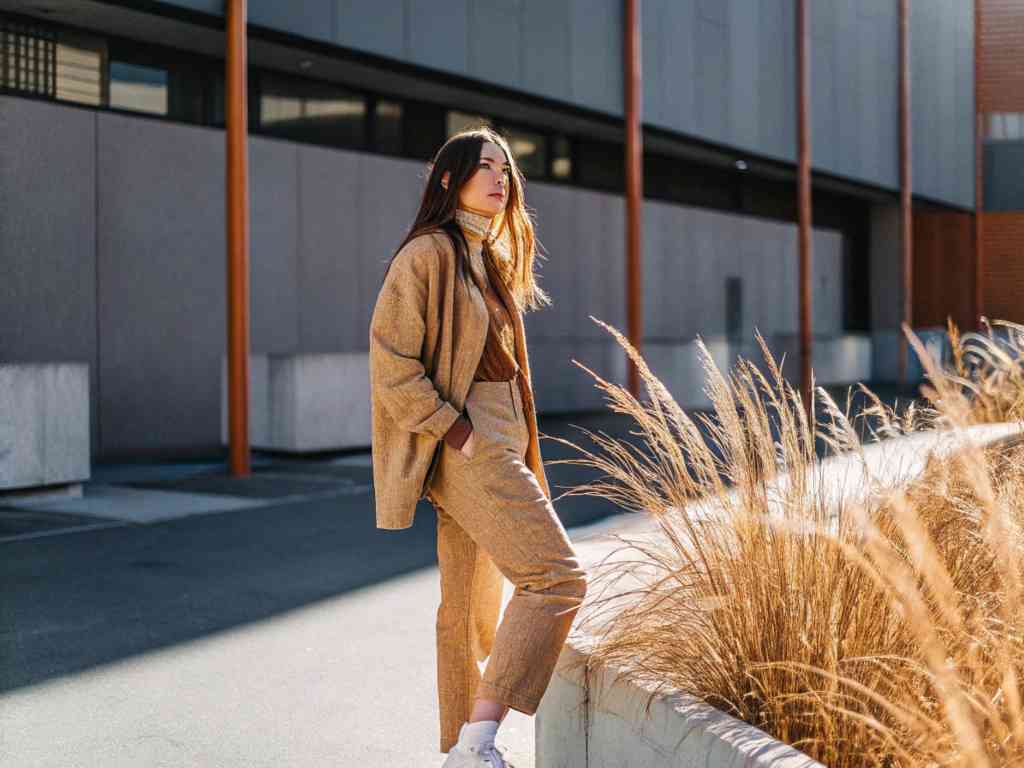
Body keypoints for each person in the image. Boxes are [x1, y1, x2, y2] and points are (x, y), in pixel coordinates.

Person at [368, 127, 589, 767]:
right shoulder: (428, 255)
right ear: (448, 178)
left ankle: (457, 754)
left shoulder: (486, 255)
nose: (501, 179)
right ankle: (479, 740)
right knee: (556, 578)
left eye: (506, 170)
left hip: (502, 433)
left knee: (466, 610)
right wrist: (455, 430)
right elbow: (392, 365)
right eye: (485, 167)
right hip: (470, 440)